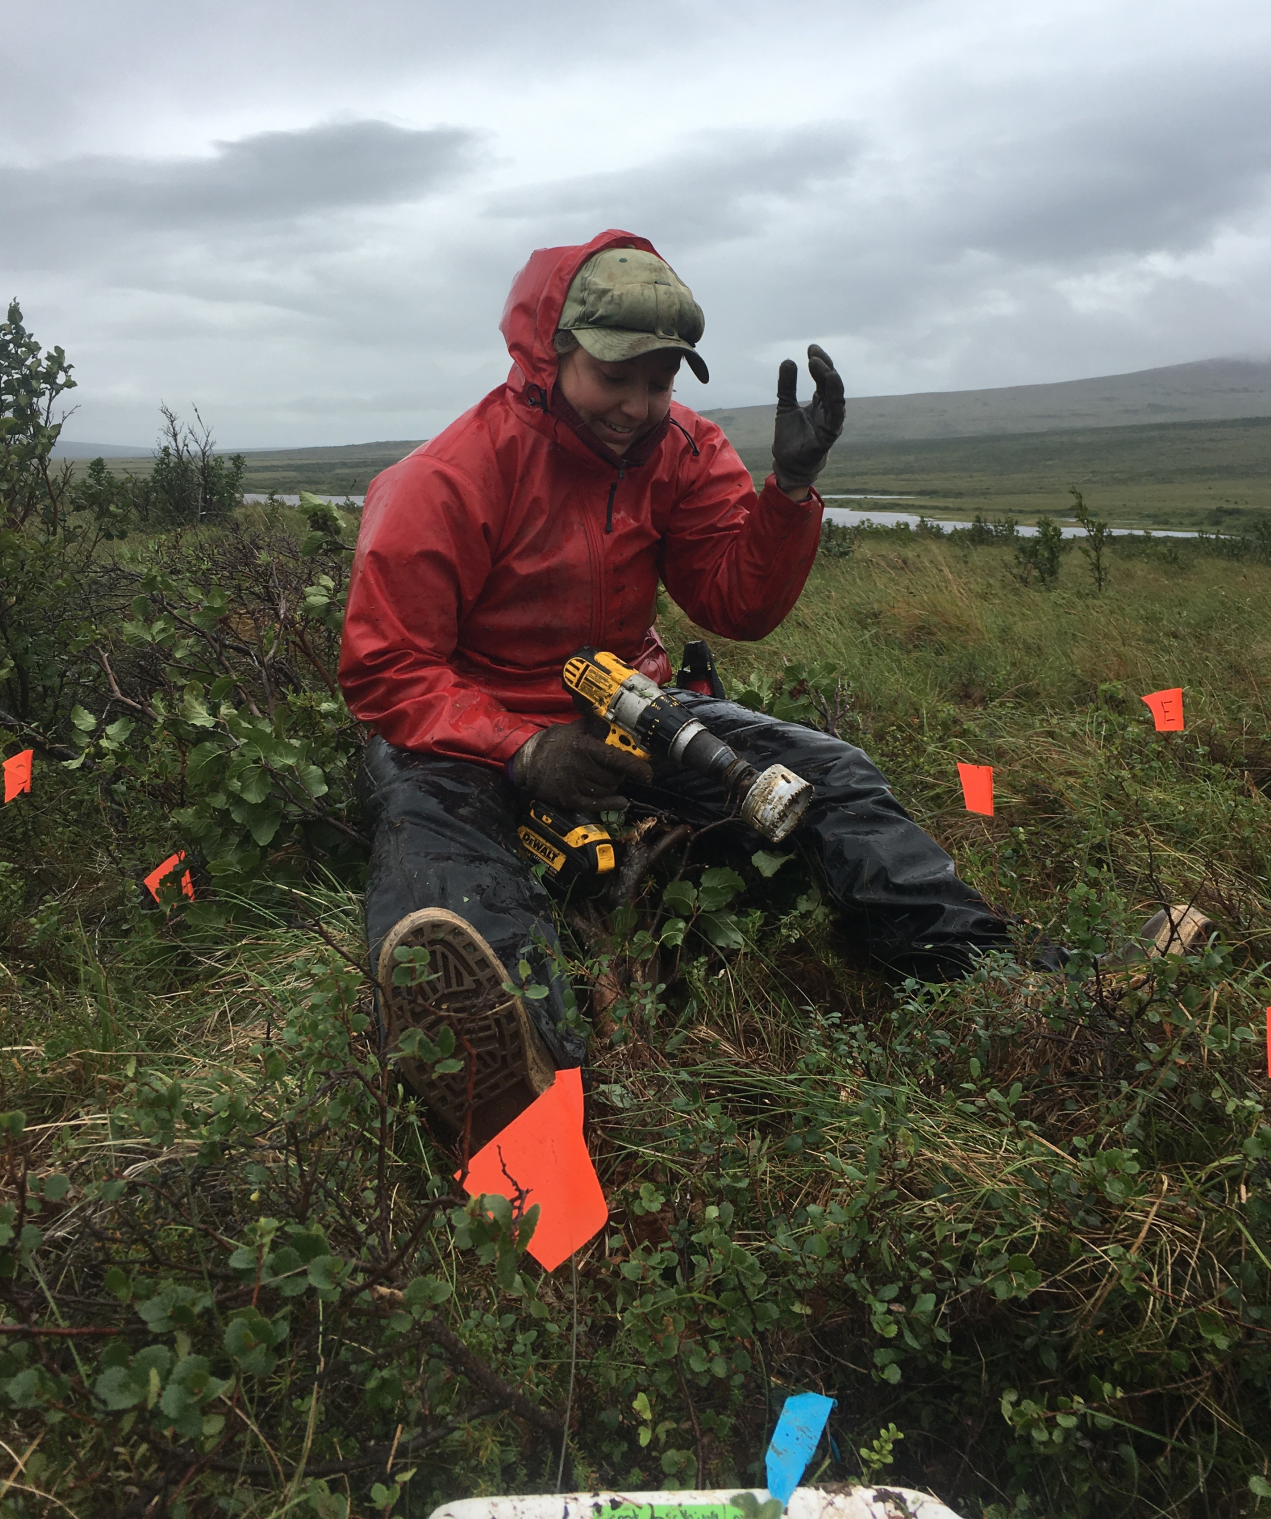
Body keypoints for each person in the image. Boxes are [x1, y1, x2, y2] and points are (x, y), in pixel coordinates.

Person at [338, 229, 1013, 1145]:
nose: (636, 406)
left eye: (659, 383)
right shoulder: (446, 478)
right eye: (615, 378)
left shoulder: (682, 449)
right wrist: (522, 747)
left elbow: (734, 602)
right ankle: (514, 1086)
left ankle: (991, 984)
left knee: (831, 776)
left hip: (623, 706)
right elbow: (388, 671)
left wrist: (791, 490)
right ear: (552, 351)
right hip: (466, 732)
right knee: (448, 864)